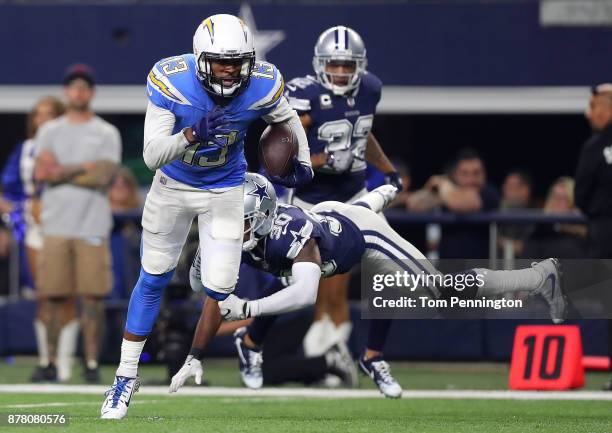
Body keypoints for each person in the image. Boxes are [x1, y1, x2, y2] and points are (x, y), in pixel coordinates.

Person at [173, 172, 566, 399]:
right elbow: (207, 289)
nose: (228, 228)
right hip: (335, 215)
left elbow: (307, 296)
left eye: (238, 220)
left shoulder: (289, 234)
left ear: (259, 218)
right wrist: (197, 348)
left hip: (361, 236)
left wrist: (247, 309)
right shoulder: (239, 233)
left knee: (441, 289)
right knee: (284, 275)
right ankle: (252, 344)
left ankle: (537, 275)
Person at [99, 14, 312, 420]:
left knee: (218, 286)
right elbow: (151, 155)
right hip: (173, 186)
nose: (230, 70)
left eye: (237, 62)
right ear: (200, 60)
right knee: (154, 275)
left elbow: (285, 120)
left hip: (225, 188)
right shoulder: (172, 80)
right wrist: (190, 135)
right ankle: (125, 379)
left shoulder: (263, 83)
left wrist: (301, 161)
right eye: (220, 62)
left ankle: (206, 257)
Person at [284, 26, 402, 359]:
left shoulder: (370, 90)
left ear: (359, 66)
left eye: (346, 65)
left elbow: (363, 134)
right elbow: (282, 145)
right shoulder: (304, 94)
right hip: (311, 200)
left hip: (354, 197)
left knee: (360, 278)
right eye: (333, 64)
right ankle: (319, 353)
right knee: (310, 286)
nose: (339, 72)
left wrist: (388, 169)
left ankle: (345, 353)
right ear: (320, 64)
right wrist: (321, 159)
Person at [34, 65, 121, 384]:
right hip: (56, 225)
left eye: (84, 87)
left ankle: (92, 363)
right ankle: (50, 363)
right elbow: (43, 173)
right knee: (53, 297)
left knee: (93, 299)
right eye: (73, 87)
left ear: (91, 92)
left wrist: (63, 171)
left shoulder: (105, 132)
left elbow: (104, 175)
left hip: (92, 226)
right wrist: (84, 167)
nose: (79, 92)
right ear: (66, 92)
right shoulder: (50, 130)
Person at [0, 96, 65, 381]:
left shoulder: (72, 145)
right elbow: (6, 191)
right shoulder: (25, 150)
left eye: (49, 114)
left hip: (69, 223)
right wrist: (18, 211)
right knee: (43, 294)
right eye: (38, 115)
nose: (43, 120)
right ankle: (46, 361)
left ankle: (66, 362)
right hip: (35, 229)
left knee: (67, 295)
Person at [573, 84, 612, 390]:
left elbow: (582, 195)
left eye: (595, 107)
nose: (590, 114)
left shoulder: (596, 146)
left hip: (605, 230)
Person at [421, 148, 500, 258]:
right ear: (455, 175)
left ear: (484, 173)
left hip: (481, 270)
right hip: (448, 268)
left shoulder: (489, 193)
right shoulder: (448, 193)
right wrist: (428, 188)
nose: (471, 179)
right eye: (464, 173)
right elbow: (415, 204)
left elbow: (463, 202)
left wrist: (443, 184)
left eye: (476, 173)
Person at [523, 177, 587, 259]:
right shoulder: (540, 231)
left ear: (573, 202)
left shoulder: (583, 233)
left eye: (563, 198)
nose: (557, 202)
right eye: (555, 197)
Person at [498, 170, 534, 258]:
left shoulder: (535, 218)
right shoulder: (496, 215)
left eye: (512, 186)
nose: (506, 189)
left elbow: (527, 247)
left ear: (525, 190)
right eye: (506, 186)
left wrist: (504, 243)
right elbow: (493, 240)